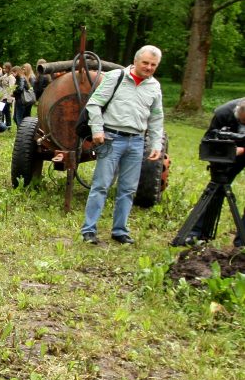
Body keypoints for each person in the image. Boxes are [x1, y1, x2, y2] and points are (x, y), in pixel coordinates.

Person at [79, 46, 164, 245]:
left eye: (153, 65)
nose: (149, 67)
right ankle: (89, 230)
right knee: (101, 185)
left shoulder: (154, 86)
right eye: (145, 63)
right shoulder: (116, 77)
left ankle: (120, 230)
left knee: (128, 189)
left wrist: (156, 144)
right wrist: (97, 129)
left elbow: (156, 117)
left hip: (136, 141)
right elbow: (95, 103)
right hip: (111, 138)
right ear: (136, 61)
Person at [183, 98, 245, 244]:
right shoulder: (223, 113)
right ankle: (196, 233)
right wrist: (222, 155)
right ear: (236, 113)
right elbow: (209, 140)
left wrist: (242, 150)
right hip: (228, 154)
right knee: (215, 191)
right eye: (241, 122)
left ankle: (242, 242)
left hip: (240, 151)